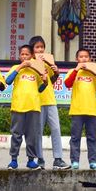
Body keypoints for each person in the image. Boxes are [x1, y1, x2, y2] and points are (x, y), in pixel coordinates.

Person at [64, 48, 96, 170]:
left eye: (86, 57)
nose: (84, 59)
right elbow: (67, 84)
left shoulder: (94, 72)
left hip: (91, 110)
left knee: (92, 137)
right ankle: (74, 161)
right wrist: (77, 70)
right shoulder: (73, 71)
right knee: (75, 137)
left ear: (90, 59)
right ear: (76, 59)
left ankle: (93, 162)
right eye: (81, 57)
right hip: (77, 110)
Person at [5, 44, 46, 170]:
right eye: (22, 54)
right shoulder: (15, 68)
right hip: (18, 106)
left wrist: (45, 81)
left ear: (32, 56)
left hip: (33, 106)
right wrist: (19, 67)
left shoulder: (37, 69)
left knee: (32, 135)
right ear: (19, 56)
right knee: (16, 134)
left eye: (27, 54)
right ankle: (13, 160)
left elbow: (40, 88)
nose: (24, 57)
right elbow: (8, 81)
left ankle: (31, 160)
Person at [30, 36, 68, 170]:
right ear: (32, 50)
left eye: (42, 47)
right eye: (37, 47)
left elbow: (52, 80)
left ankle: (58, 159)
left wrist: (56, 72)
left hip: (50, 100)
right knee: (38, 131)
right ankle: (40, 159)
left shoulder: (48, 62)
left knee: (56, 129)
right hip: (37, 102)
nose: (40, 50)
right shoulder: (30, 63)